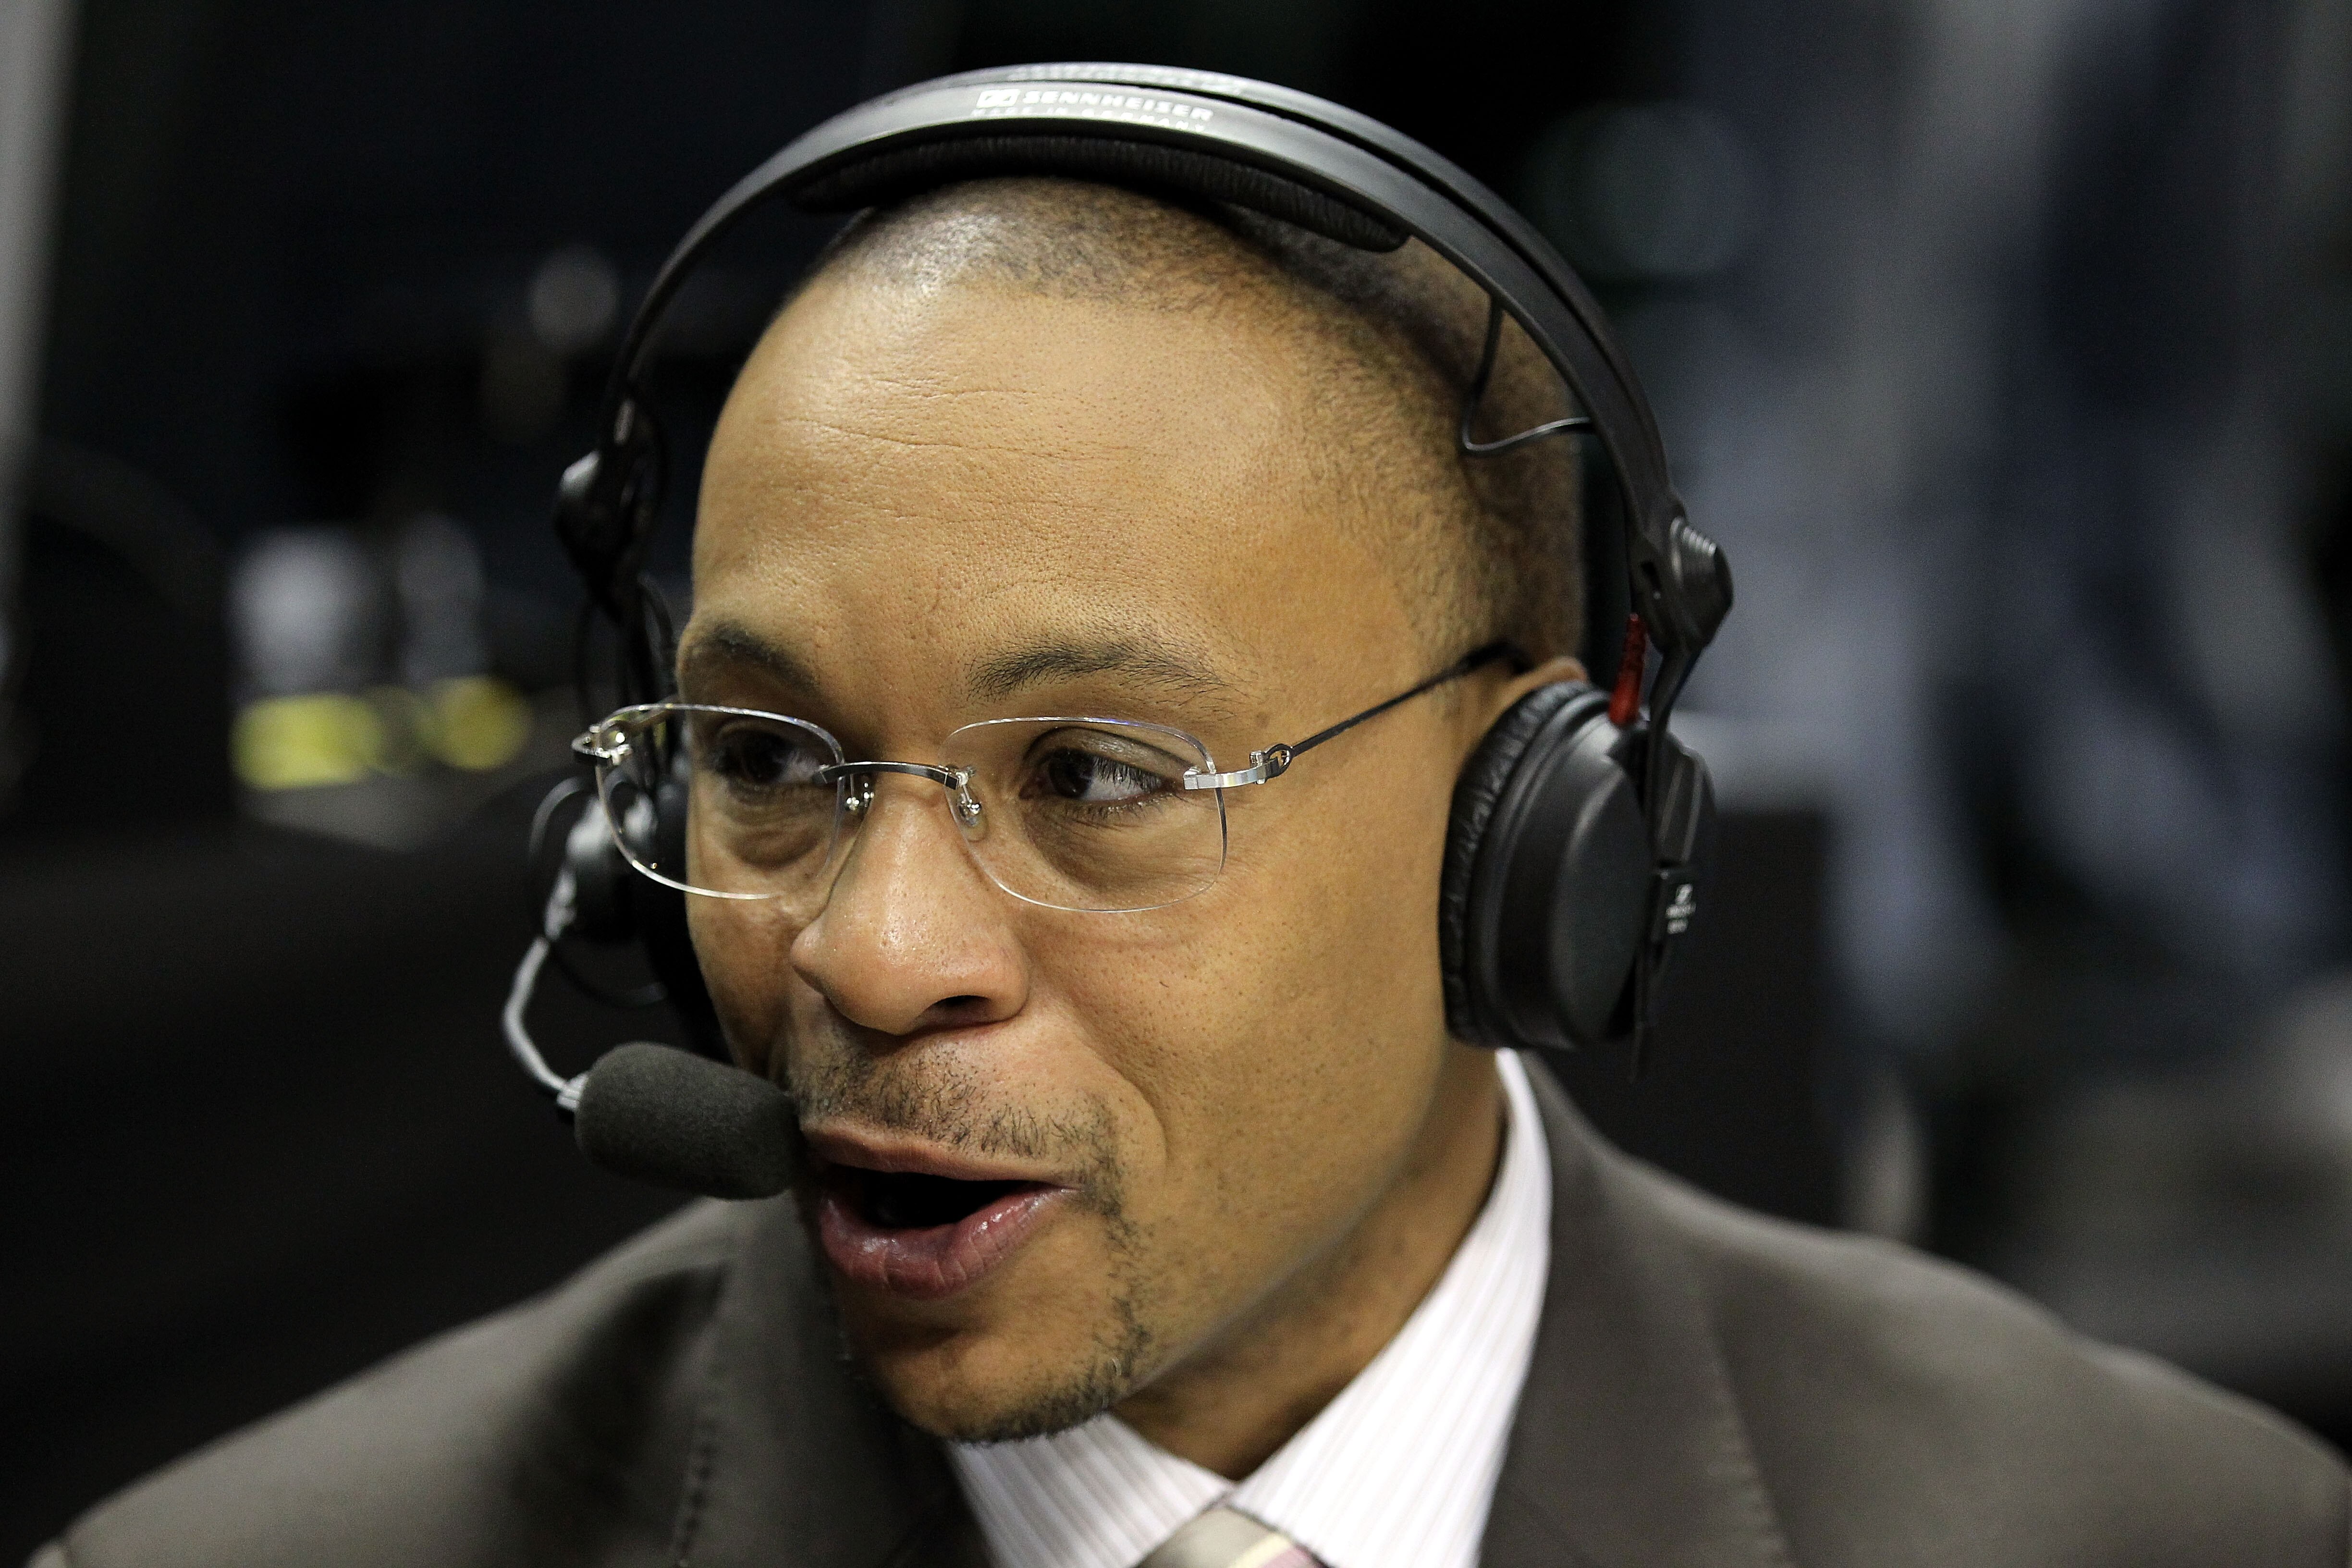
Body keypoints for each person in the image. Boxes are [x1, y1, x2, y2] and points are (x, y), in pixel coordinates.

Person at [36, 165, 2347, 1568]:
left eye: (1103, 782)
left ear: (1534, 828)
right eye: (768, 759)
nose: (873, 947)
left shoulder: (2189, 1542)